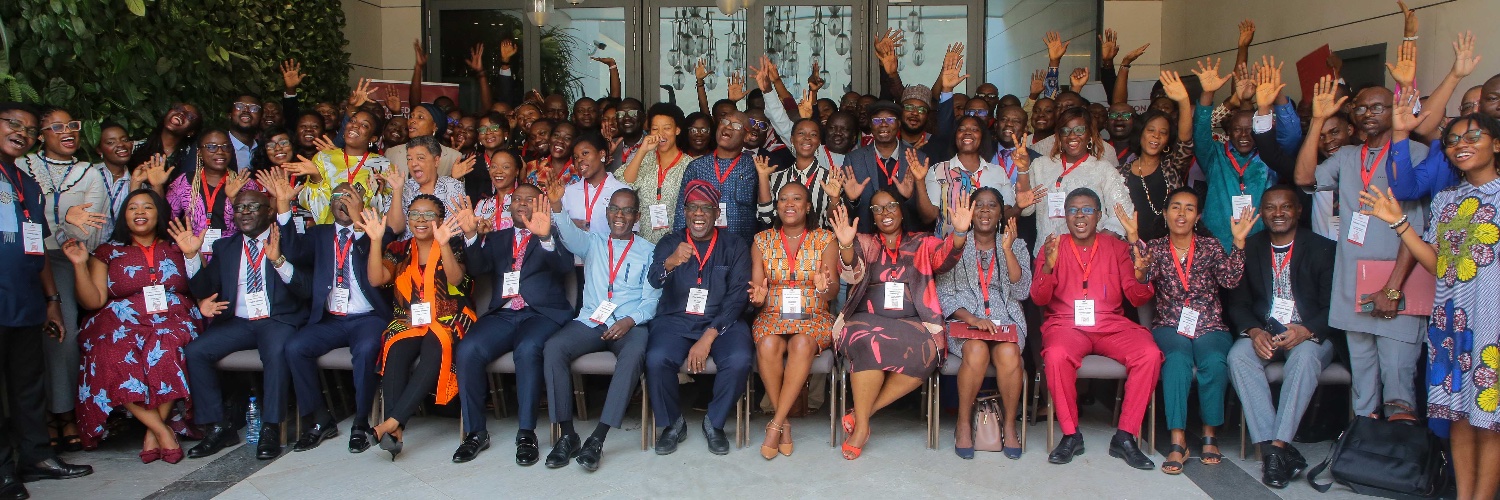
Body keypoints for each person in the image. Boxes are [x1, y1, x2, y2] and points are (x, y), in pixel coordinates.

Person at [1361, 113, 1500, 500]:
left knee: (1490, 420)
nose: (1461, 144)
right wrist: (1399, 223)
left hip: (1494, 321)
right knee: (1457, 414)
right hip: (1453, 321)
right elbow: (1437, 262)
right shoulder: (1446, 199)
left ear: (1498, 144)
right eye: (1453, 140)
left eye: (1473, 135)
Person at [1295, 85, 1426, 420]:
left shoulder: (1413, 154)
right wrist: (1318, 120)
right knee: (1363, 387)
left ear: (1394, 110)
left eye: (1378, 107)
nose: (1369, 115)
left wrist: (1393, 289)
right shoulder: (1348, 156)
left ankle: (1395, 463)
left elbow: (1416, 230)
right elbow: (1304, 178)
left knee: (1398, 383)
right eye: (1362, 108)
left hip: (1399, 288)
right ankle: (1363, 461)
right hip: (1356, 286)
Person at [832, 188, 970, 460]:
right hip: (864, 318)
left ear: (901, 210)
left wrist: (960, 234)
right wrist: (846, 246)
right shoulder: (863, 241)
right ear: (871, 216)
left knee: (926, 353)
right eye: (877, 208)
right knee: (866, 341)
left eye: (891, 205)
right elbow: (850, 272)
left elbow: (944, 259)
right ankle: (860, 430)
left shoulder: (922, 242)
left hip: (913, 322)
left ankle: (862, 416)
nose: (885, 213)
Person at [0, 101, 94, 499]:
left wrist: (52, 301)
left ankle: (36, 457)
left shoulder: (26, 183)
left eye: (28, 127)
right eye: (12, 123)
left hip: (24, 299)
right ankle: (4, 471)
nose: (20, 131)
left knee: (28, 384)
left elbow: (36, 245)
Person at [63, 189, 199, 460]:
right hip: (119, 320)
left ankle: (152, 432)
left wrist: (193, 255)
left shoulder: (178, 243)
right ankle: (161, 429)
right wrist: (79, 265)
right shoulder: (107, 252)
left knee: (168, 346)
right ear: (123, 216)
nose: (139, 212)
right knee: (109, 353)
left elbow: (201, 284)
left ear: (158, 213)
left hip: (172, 317)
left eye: (147, 207)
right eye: (132, 208)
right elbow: (94, 301)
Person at [1032, 188, 1158, 469]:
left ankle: (1125, 436)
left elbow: (1138, 297)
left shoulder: (1116, 247)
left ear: (1098, 216)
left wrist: (1141, 273)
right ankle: (1070, 434)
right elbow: (1039, 299)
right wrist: (1048, 268)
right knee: (1055, 355)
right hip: (1066, 325)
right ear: (1064, 216)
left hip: (1110, 324)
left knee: (1148, 353)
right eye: (1073, 210)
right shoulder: (1052, 246)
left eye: (1087, 210)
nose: (1080, 216)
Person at [451, 184, 575, 466]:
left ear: (540, 204)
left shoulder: (551, 234)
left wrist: (545, 238)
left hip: (540, 314)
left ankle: (526, 433)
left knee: (528, 349)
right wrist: (471, 236)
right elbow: (478, 269)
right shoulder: (498, 238)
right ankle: (475, 432)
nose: (521, 203)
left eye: (528, 199)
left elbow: (565, 267)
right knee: (468, 349)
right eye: (516, 199)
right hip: (503, 315)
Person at [181, 188, 309, 460]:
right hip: (239, 321)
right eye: (239, 208)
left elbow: (305, 290)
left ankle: (271, 426)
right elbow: (205, 287)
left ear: (269, 211)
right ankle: (218, 427)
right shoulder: (225, 247)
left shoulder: (286, 241)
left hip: (277, 319)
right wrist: (192, 257)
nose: (245, 213)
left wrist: (278, 261)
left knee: (276, 352)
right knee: (196, 352)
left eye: (252, 207)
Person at [1225, 184, 1337, 488]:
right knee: (1238, 356)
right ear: (1262, 213)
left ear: (1299, 211)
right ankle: (1276, 451)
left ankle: (1275, 450)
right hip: (1266, 331)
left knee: (1303, 359)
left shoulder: (1324, 248)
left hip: (1310, 334)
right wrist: (1254, 330)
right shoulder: (1251, 247)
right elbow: (1238, 302)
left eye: (1285, 206)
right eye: (1271, 208)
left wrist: (1306, 329)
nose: (1278, 213)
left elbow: (1333, 306)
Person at [1135, 188, 1254, 474]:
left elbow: (1230, 280)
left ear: (1197, 215)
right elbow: (1143, 280)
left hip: (1210, 324)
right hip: (1169, 325)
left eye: (1189, 208)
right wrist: (1139, 269)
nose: (1181, 213)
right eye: (1175, 207)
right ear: (1165, 213)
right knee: (1176, 360)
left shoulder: (1210, 246)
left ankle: (1209, 433)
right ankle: (1178, 439)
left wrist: (1238, 242)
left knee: (1213, 361)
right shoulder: (1155, 247)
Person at [540, 186, 659, 471]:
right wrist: (557, 205)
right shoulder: (591, 242)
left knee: (633, 355)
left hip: (630, 323)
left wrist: (629, 320)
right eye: (615, 209)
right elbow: (568, 234)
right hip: (592, 321)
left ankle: (598, 438)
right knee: (554, 347)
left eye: (627, 210)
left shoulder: (649, 251)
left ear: (637, 216)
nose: (620, 215)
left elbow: (652, 298)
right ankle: (567, 435)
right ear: (607, 214)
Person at [272, 176, 391, 455]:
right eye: (337, 197)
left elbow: (367, 255)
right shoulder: (320, 234)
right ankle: (320, 419)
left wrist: (360, 221)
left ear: (360, 203)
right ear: (329, 203)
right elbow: (293, 250)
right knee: (295, 347)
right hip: (331, 319)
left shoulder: (373, 231)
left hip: (368, 317)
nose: (342, 202)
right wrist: (283, 208)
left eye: (349, 198)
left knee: (365, 350)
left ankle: (362, 421)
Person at [15, 106, 108, 450]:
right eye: (57, 127)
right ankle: (36, 419)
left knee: (62, 335)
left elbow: (92, 235)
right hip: (21, 258)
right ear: (40, 135)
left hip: (66, 259)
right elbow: (22, 214)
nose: (68, 131)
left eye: (73, 125)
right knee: (23, 338)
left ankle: (63, 413)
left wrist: (62, 226)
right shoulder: (21, 166)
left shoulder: (88, 173)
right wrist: (63, 217)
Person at [359, 194, 475, 461]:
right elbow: (377, 279)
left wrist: (443, 244)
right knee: (395, 347)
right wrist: (376, 241)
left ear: (441, 220)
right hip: (409, 319)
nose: (420, 220)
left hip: (450, 317)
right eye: (414, 214)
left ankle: (391, 423)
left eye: (428, 215)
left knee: (436, 347)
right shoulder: (399, 250)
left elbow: (456, 279)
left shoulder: (455, 244)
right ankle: (395, 429)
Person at [646, 180, 752, 456]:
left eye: (706, 208)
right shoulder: (670, 242)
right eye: (693, 207)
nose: (699, 214)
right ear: (685, 211)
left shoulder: (734, 244)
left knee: (739, 360)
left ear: (717, 213)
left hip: (721, 322)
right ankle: (671, 424)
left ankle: (714, 422)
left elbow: (739, 295)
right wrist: (669, 262)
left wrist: (709, 335)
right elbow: (654, 281)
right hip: (676, 320)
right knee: (657, 359)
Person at [935, 187, 1031, 460]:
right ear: (971, 211)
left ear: (1002, 212)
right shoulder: (953, 244)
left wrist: (1008, 250)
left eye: (992, 206)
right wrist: (973, 319)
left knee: (1010, 352)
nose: (985, 211)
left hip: (1006, 321)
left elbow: (1022, 291)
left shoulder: (1016, 244)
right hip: (965, 321)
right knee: (976, 351)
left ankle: (1010, 424)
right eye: (979, 205)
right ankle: (964, 423)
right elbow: (943, 294)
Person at [748, 182, 839, 460]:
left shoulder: (826, 239)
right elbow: (756, 288)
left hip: (814, 316)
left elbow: (832, 290)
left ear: (808, 205)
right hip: (773, 315)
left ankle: (775, 424)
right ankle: (783, 423)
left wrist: (824, 288)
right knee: (767, 345)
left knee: (801, 344)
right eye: (783, 199)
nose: (789, 204)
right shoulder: (761, 240)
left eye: (797, 198)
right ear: (777, 207)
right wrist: (758, 298)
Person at [1190, 58, 1274, 250]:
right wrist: (1208, 93)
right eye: (1237, 129)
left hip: (1258, 243)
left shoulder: (1268, 157)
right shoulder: (1215, 155)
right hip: (1216, 245)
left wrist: (1263, 103)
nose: (1244, 135)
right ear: (1229, 131)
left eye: (1250, 129)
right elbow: (1200, 132)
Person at [1019, 108, 1135, 244]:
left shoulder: (1103, 169)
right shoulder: (1040, 165)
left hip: (1089, 258)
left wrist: (1096, 245)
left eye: (1079, 130)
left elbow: (1123, 214)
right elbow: (1026, 210)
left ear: (1090, 135)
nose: (1072, 136)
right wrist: (1022, 170)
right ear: (1059, 136)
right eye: (1065, 131)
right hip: (1048, 256)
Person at [1118, 72, 1196, 243]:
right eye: (1151, 130)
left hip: (1168, 249)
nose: (1156, 136)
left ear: (1168, 139)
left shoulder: (1172, 165)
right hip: (1131, 249)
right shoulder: (1120, 173)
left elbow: (1185, 141)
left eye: (1163, 133)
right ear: (1141, 134)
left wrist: (1183, 100)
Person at [841, 102, 930, 234]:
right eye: (877, 120)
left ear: (899, 123)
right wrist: (852, 200)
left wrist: (908, 198)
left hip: (908, 240)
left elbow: (926, 216)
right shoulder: (854, 159)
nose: (883, 124)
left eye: (890, 119)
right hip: (867, 238)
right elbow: (845, 211)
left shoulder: (918, 158)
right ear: (870, 125)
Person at [673, 112, 759, 242]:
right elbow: (682, 211)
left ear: (747, 136)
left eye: (736, 125)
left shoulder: (753, 167)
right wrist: (679, 243)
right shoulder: (696, 167)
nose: (728, 127)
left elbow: (764, 213)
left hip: (740, 249)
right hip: (702, 247)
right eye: (724, 122)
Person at [294, 109, 391, 223]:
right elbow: (311, 206)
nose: (355, 126)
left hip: (366, 234)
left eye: (364, 125)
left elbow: (386, 211)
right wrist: (316, 178)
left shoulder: (383, 166)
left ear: (373, 139)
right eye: (352, 121)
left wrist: (376, 194)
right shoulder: (323, 158)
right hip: (329, 233)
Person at [164, 131, 256, 243]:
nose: (220, 152)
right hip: (193, 252)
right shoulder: (183, 183)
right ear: (199, 153)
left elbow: (256, 225)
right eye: (211, 147)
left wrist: (234, 199)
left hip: (233, 253)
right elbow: (165, 219)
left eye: (226, 147)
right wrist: (157, 186)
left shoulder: (245, 183)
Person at [619, 106, 692, 243]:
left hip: (676, 244)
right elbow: (624, 184)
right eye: (655, 129)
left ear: (677, 130)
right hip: (642, 242)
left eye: (667, 128)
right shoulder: (644, 159)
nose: (660, 134)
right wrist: (642, 151)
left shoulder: (690, 165)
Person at [755, 120, 837, 230]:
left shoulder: (831, 179)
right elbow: (766, 218)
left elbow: (834, 223)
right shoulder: (776, 178)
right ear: (792, 140)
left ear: (819, 142)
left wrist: (834, 199)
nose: (807, 137)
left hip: (818, 245)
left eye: (813, 134)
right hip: (782, 245)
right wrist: (763, 177)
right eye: (801, 133)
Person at [385, 135, 470, 235]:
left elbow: (460, 229)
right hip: (410, 249)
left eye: (420, 158)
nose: (413, 164)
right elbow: (394, 229)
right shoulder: (402, 188)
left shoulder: (453, 186)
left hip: (446, 248)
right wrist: (397, 190)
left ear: (436, 161)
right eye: (409, 159)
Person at [561, 133, 631, 237]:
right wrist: (569, 225)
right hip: (578, 252)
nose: (579, 160)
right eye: (575, 157)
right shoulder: (568, 192)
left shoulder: (622, 191)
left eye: (585, 153)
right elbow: (557, 228)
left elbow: (631, 234)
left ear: (602, 154)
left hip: (612, 252)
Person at [384, 103, 463, 177]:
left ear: (435, 127)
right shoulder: (392, 153)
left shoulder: (454, 157)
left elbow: (457, 190)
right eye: (411, 116)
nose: (412, 120)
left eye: (420, 117)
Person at [473, 150, 521, 232]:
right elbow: (471, 240)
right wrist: (479, 234)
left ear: (517, 171)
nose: (498, 171)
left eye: (505, 167)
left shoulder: (525, 202)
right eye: (494, 166)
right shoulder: (482, 204)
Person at [226, 96, 264, 169]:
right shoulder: (218, 147)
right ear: (229, 115)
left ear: (261, 118)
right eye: (239, 106)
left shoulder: (264, 148)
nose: (246, 110)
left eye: (254, 108)